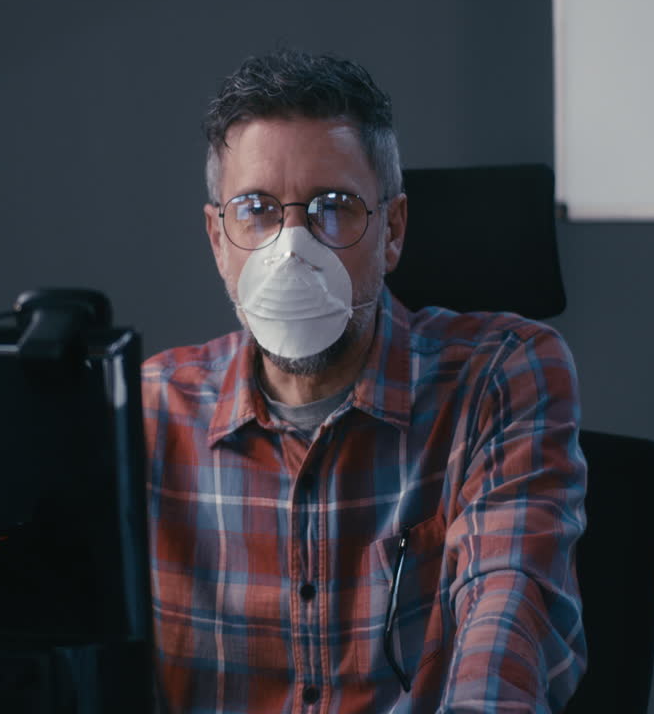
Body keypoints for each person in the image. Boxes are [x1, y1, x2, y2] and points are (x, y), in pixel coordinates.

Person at [143, 50, 587, 713]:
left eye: (333, 207)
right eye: (257, 209)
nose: (293, 248)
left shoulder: (499, 378)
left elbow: (507, 618)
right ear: (218, 238)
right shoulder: (150, 412)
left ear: (392, 231)